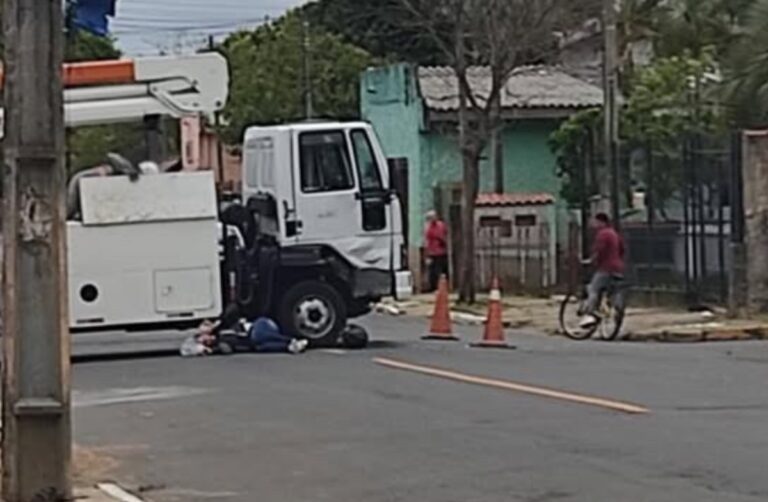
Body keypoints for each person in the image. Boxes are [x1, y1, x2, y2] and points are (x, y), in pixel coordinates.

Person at [580, 212, 626, 328]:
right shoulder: (615, 234)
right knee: (614, 290)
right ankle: (617, 308)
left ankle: (590, 314)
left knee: (593, 289)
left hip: (606, 268)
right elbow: (622, 249)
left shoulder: (602, 234)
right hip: (618, 268)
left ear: (601, 222)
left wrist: (591, 261)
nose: (593, 224)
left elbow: (599, 251)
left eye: (595, 222)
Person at [424, 210, 449, 292]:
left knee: (441, 270)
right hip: (432, 252)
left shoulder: (440, 225)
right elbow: (427, 240)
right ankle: (434, 287)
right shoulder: (428, 227)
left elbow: (443, 236)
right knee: (433, 271)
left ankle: (442, 287)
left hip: (441, 251)